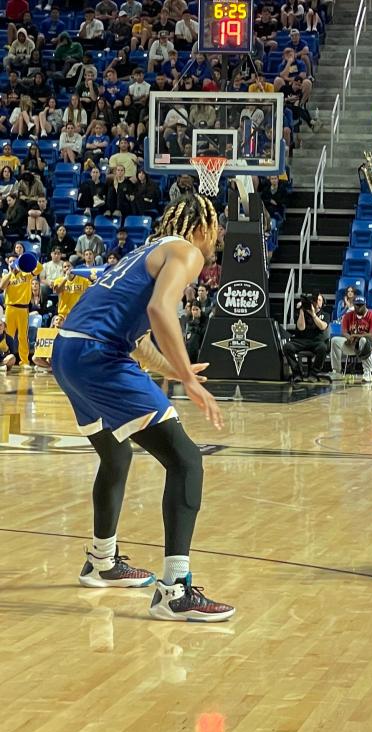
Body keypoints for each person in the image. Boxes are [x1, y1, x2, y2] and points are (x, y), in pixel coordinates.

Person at [49, 194, 233, 622]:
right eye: (217, 228)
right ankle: (175, 590)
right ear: (201, 228)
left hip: (68, 353)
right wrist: (186, 378)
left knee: (115, 454)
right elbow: (159, 310)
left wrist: (171, 368)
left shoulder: (143, 253)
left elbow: (136, 340)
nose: (218, 237)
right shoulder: (185, 251)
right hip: (97, 358)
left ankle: (101, 560)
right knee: (186, 461)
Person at [0, 253, 42, 368]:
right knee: (8, 335)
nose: (13, 263)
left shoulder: (27, 274)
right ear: (8, 263)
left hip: (23, 309)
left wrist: (25, 259)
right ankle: (7, 359)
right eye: (10, 261)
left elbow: (39, 268)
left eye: (15, 261)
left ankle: (24, 362)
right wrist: (10, 272)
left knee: (23, 336)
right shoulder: (7, 276)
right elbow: (1, 287)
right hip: (10, 308)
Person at [330, 295, 372, 383]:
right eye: (357, 305)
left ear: (365, 305)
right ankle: (337, 372)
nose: (359, 307)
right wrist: (348, 337)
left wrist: (356, 336)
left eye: (361, 305)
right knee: (335, 340)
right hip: (353, 344)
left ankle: (367, 372)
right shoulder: (348, 316)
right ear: (354, 305)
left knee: (364, 340)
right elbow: (344, 331)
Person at [283, 293, 329, 382]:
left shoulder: (325, 314)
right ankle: (297, 373)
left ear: (322, 303)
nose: (316, 302)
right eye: (315, 300)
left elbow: (323, 327)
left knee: (323, 348)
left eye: (319, 300)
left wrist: (313, 315)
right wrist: (301, 310)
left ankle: (314, 373)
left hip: (316, 341)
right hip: (301, 340)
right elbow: (301, 327)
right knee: (287, 347)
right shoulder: (302, 312)